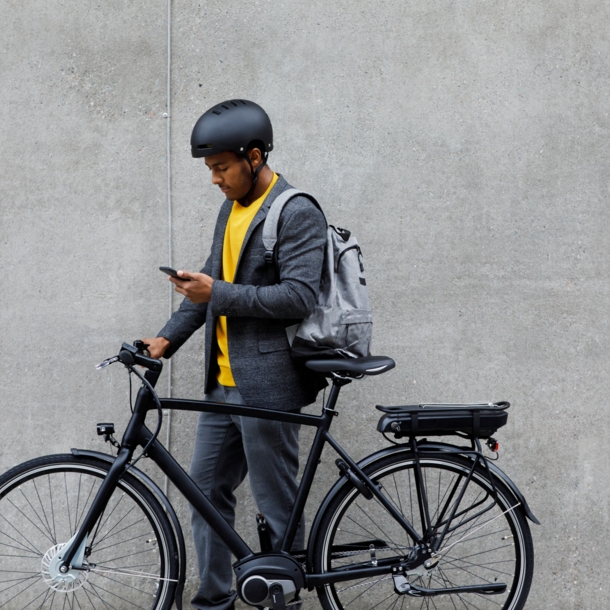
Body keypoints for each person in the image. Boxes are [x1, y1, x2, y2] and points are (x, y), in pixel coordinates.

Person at [143, 99, 327, 610]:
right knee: (204, 496)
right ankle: (214, 601)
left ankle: (284, 601)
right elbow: (207, 284)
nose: (215, 180)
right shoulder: (231, 208)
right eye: (210, 170)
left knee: (276, 506)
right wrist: (164, 340)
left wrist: (216, 295)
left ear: (253, 156)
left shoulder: (297, 211)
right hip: (221, 386)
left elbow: (298, 297)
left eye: (221, 168)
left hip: (267, 385)